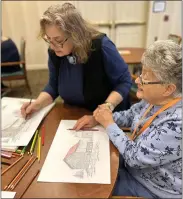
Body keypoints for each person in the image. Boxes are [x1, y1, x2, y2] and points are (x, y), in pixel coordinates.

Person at [74, 40, 182, 198]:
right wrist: (98, 119)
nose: (137, 81)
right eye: (141, 73)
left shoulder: (178, 124)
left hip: (152, 187)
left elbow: (135, 157)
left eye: (145, 76)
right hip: (135, 169)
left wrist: (109, 123)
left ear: (168, 89)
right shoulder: (154, 100)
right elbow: (130, 115)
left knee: (88, 188)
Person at [21, 3, 132, 118]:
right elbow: (54, 86)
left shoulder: (101, 46)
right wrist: (37, 104)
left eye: (58, 40)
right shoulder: (55, 51)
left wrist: (104, 110)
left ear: (75, 34)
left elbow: (124, 81)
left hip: (109, 117)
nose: (53, 46)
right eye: (48, 39)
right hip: (74, 113)